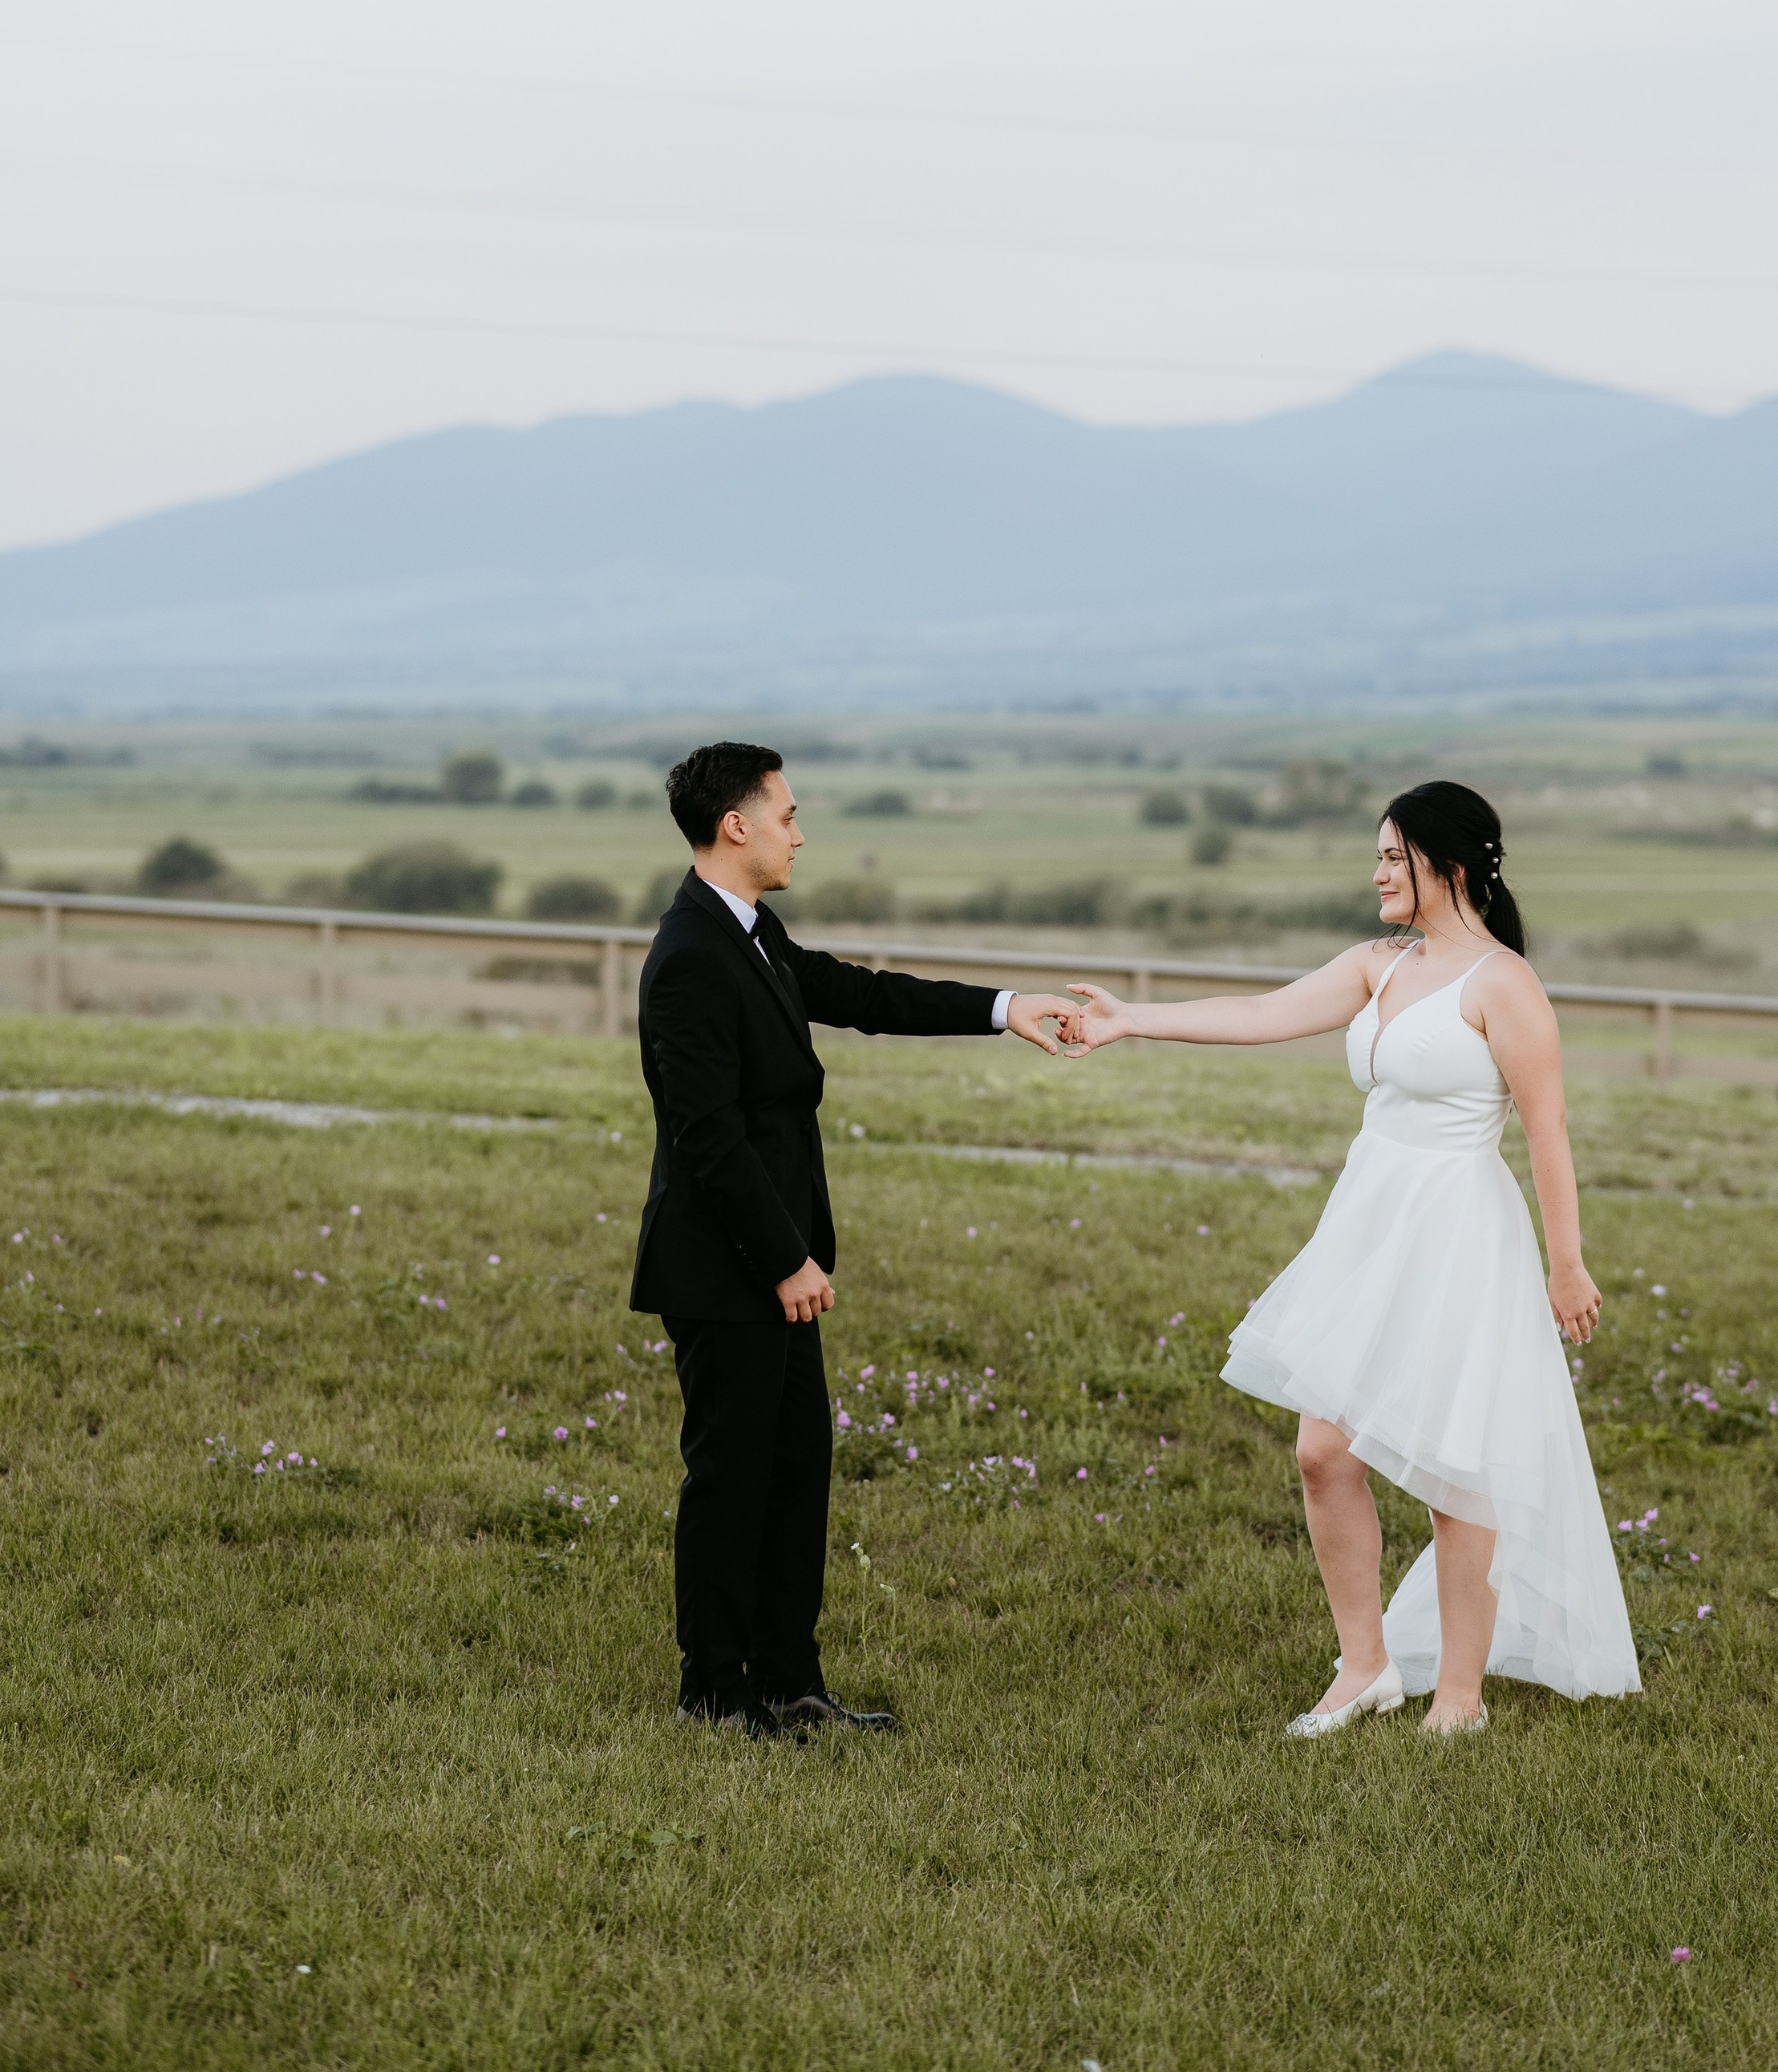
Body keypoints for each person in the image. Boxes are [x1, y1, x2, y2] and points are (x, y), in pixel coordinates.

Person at [1064, 780, 1638, 1733]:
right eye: (1375, 854)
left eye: (1390, 855)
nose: (1374, 870)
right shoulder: (1378, 964)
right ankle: (1364, 1664)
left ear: (1447, 864)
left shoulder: (1504, 984)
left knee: (1458, 1469)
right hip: (1370, 1223)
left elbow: (1549, 1133)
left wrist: (1565, 1263)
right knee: (1323, 1448)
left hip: (1460, 1227)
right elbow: (1259, 1013)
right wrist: (1134, 1019)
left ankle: (1460, 1694)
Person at [632, 740, 1077, 1740]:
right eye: (786, 812)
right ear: (735, 824)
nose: (799, 829)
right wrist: (785, 1258)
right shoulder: (689, 954)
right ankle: (714, 1693)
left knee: (797, 1474)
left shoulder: (749, 930)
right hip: (726, 1268)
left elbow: (861, 994)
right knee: (731, 1479)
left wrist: (1005, 1009)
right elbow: (706, 1137)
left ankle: (790, 1682)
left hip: (777, 1262)